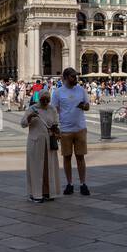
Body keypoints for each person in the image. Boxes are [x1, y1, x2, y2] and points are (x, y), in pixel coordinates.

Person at [20, 88, 63, 202]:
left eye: (47, 100)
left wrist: (56, 131)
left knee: (48, 168)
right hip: (35, 143)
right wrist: (30, 117)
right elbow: (23, 123)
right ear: (39, 99)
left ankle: (47, 192)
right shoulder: (32, 109)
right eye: (43, 100)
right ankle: (35, 194)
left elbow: (55, 123)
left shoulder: (52, 109)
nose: (45, 102)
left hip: (49, 143)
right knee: (36, 169)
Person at [53, 68, 91, 196]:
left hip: (80, 128)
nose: (76, 79)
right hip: (65, 130)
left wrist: (84, 106)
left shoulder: (81, 90)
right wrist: (55, 128)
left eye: (76, 76)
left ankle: (82, 184)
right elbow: (54, 110)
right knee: (67, 157)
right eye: (73, 77)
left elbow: (87, 106)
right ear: (66, 77)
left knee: (80, 157)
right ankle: (69, 184)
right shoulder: (58, 92)